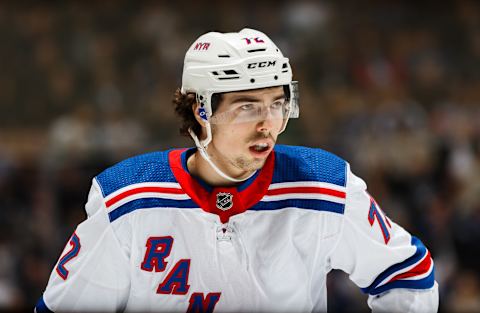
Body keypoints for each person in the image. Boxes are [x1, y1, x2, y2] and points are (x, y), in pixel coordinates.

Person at [35, 28, 439, 313]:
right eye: (247, 107)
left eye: (277, 104)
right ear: (200, 109)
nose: (268, 124)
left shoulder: (324, 186)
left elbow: (407, 275)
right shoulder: (126, 200)